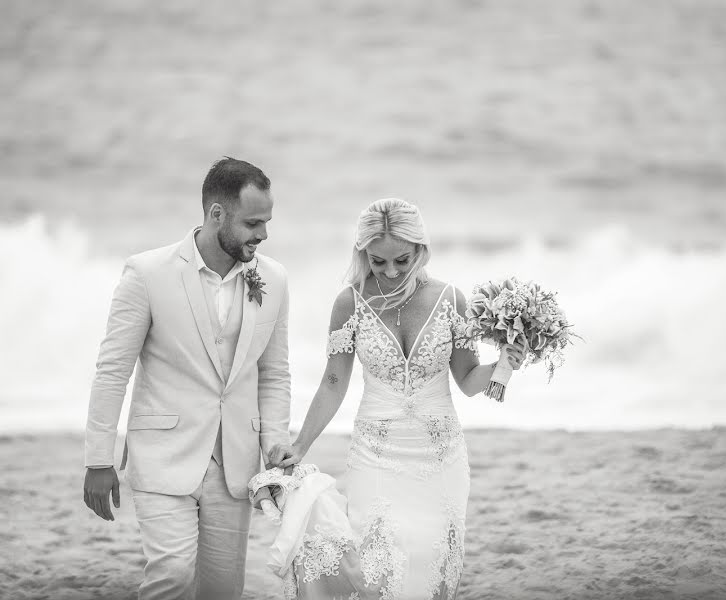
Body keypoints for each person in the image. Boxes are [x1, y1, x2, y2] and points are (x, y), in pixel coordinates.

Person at [267, 198, 525, 599]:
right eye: (377, 261)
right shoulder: (348, 303)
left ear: (420, 250)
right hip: (376, 453)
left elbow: (469, 380)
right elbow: (334, 381)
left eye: (401, 261)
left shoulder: (450, 300)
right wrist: (300, 445)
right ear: (363, 254)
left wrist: (502, 365)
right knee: (379, 565)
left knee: (432, 562)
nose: (389, 272)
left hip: (441, 455)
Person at [82, 157, 292, 600]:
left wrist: (274, 447)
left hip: (234, 463)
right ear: (217, 214)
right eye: (253, 222)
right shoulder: (147, 273)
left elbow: (273, 374)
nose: (264, 234)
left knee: (221, 590)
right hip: (163, 454)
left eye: (267, 221)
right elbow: (113, 369)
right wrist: (98, 459)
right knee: (173, 575)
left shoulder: (273, 279)